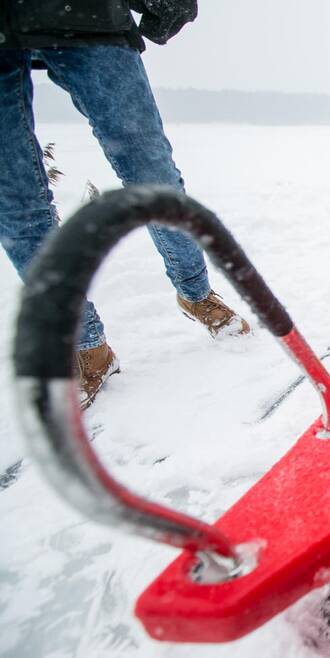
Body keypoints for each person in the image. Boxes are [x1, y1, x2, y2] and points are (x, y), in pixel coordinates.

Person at [0, 0, 251, 409]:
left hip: (86, 17)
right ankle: (86, 345)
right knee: (17, 207)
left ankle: (196, 292)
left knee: (153, 176)